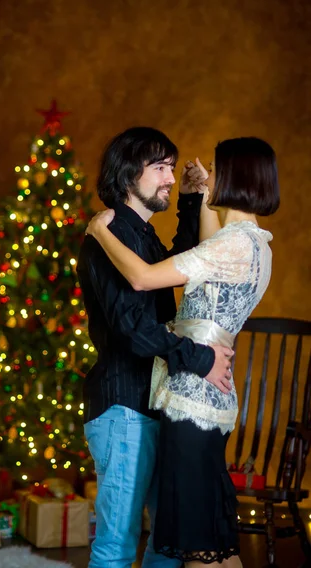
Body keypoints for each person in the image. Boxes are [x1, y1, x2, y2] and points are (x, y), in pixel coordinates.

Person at [86, 136, 280, 568]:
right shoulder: (249, 242)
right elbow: (140, 318)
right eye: (161, 168)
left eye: (213, 168)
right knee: (192, 540)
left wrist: (98, 230)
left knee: (191, 543)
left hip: (186, 397)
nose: (175, 177)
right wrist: (198, 199)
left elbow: (149, 278)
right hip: (149, 401)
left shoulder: (230, 244)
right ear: (128, 173)